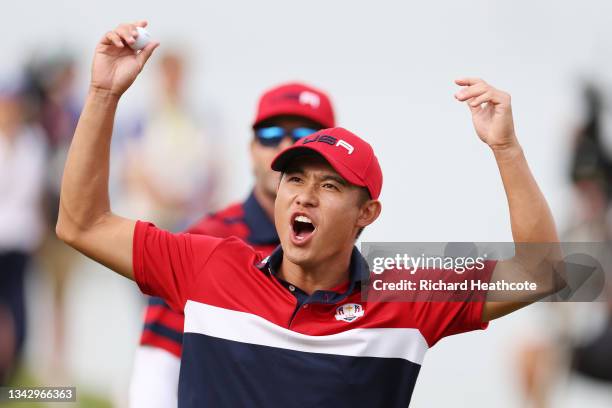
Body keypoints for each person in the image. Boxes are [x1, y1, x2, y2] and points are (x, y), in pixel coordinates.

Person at [57, 21, 564, 407]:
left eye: (328, 185)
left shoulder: (406, 296)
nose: (303, 196)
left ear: (367, 213)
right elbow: (81, 223)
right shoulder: (210, 263)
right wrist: (103, 94)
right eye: (294, 179)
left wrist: (506, 148)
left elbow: (542, 273)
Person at [129, 79, 336, 407]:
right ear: (251, 149)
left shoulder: (345, 257)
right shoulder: (204, 241)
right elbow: (158, 364)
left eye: (302, 138)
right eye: (269, 136)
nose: (283, 146)